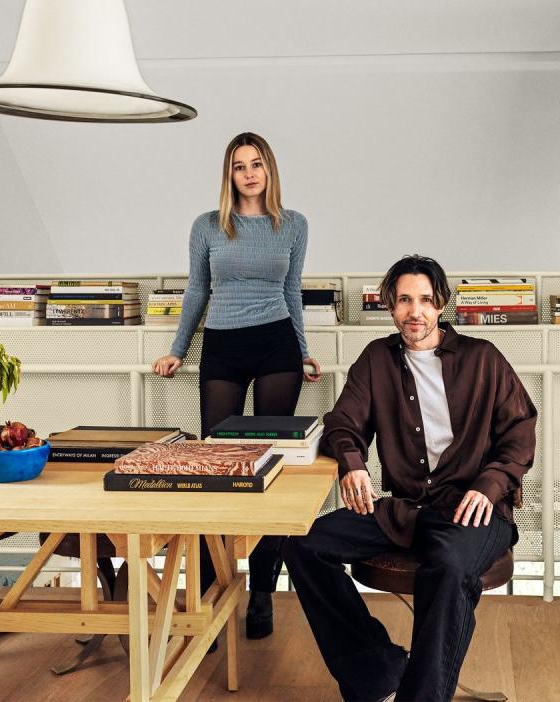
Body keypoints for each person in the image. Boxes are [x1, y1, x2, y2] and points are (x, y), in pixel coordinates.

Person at [284, 255, 536, 702]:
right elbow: (343, 421)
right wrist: (353, 462)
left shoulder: (483, 358)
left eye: (424, 300)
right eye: (404, 300)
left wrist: (489, 484)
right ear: (390, 305)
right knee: (303, 544)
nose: (414, 311)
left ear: (440, 304)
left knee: (449, 567)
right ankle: (377, 669)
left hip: (473, 509)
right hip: (406, 511)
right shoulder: (377, 359)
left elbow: (520, 431)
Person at [152, 132, 321, 640]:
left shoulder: (293, 225)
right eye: (239, 166)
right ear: (229, 174)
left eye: (257, 165)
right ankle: (207, 588)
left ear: (269, 170)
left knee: (269, 465)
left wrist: (303, 347)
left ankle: (263, 592)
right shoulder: (208, 226)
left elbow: (291, 291)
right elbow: (197, 289)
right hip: (222, 345)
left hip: (276, 346)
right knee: (220, 467)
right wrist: (179, 349)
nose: (249, 174)